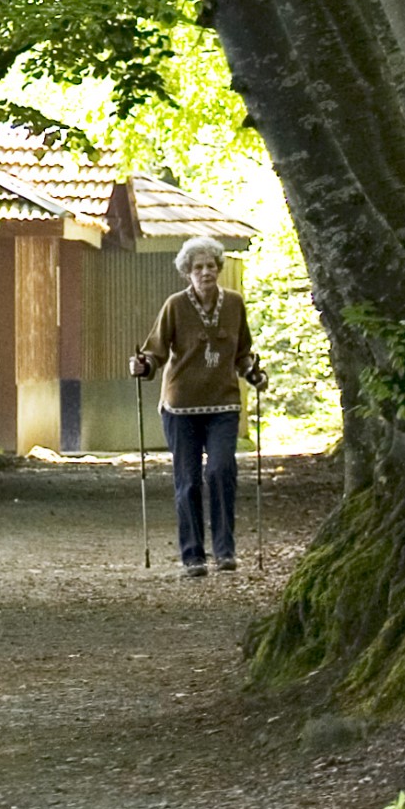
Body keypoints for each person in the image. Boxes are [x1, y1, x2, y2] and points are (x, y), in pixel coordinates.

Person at [135, 240, 257, 575]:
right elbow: (155, 351)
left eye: (211, 266)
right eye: (198, 267)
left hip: (223, 403)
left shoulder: (234, 304)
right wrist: (143, 366)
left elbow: (243, 351)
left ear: (219, 268)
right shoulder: (175, 305)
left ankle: (225, 551)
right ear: (187, 272)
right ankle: (193, 556)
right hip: (181, 408)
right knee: (188, 481)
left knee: (220, 471)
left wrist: (253, 372)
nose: (205, 272)